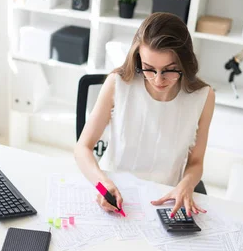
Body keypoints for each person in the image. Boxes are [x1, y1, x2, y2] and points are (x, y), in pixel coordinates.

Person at [74, 12, 215, 218]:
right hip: (114, 194)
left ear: (184, 62)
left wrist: (186, 185)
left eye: (170, 70)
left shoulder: (203, 97)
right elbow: (82, 148)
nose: (158, 80)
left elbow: (196, 163)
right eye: (149, 68)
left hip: (164, 197)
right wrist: (103, 185)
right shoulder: (118, 84)